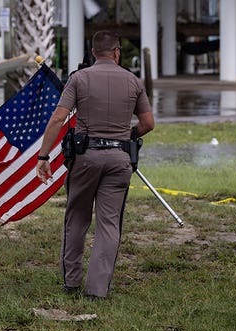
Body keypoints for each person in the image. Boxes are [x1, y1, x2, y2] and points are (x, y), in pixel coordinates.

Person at [36, 30, 155, 299]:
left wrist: (43, 157)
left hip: (86, 158)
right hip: (119, 160)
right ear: (116, 52)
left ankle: (71, 282)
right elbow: (148, 123)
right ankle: (97, 290)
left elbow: (58, 119)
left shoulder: (79, 79)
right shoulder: (133, 81)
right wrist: (128, 137)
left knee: (77, 217)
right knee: (109, 224)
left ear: (93, 53)